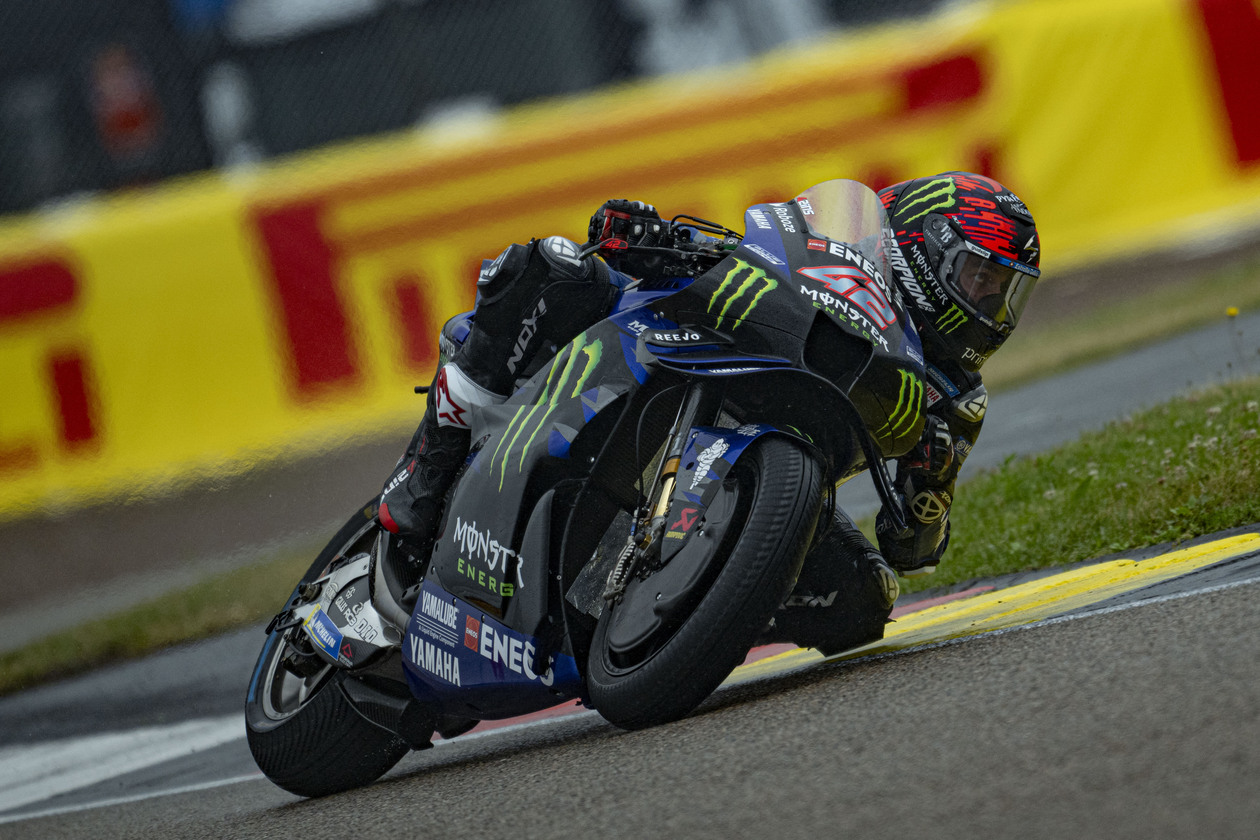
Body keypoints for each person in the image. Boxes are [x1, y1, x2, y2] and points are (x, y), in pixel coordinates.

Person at [377, 173, 1041, 645]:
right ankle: (425, 472)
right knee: (555, 265)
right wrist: (646, 234)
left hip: (776, 479)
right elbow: (727, 248)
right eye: (982, 279)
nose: (992, 308)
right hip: (666, 349)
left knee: (865, 600)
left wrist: (929, 491)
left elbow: (912, 550)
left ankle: (687, 619)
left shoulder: (955, 400)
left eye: (1007, 293)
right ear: (921, 249)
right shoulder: (833, 258)